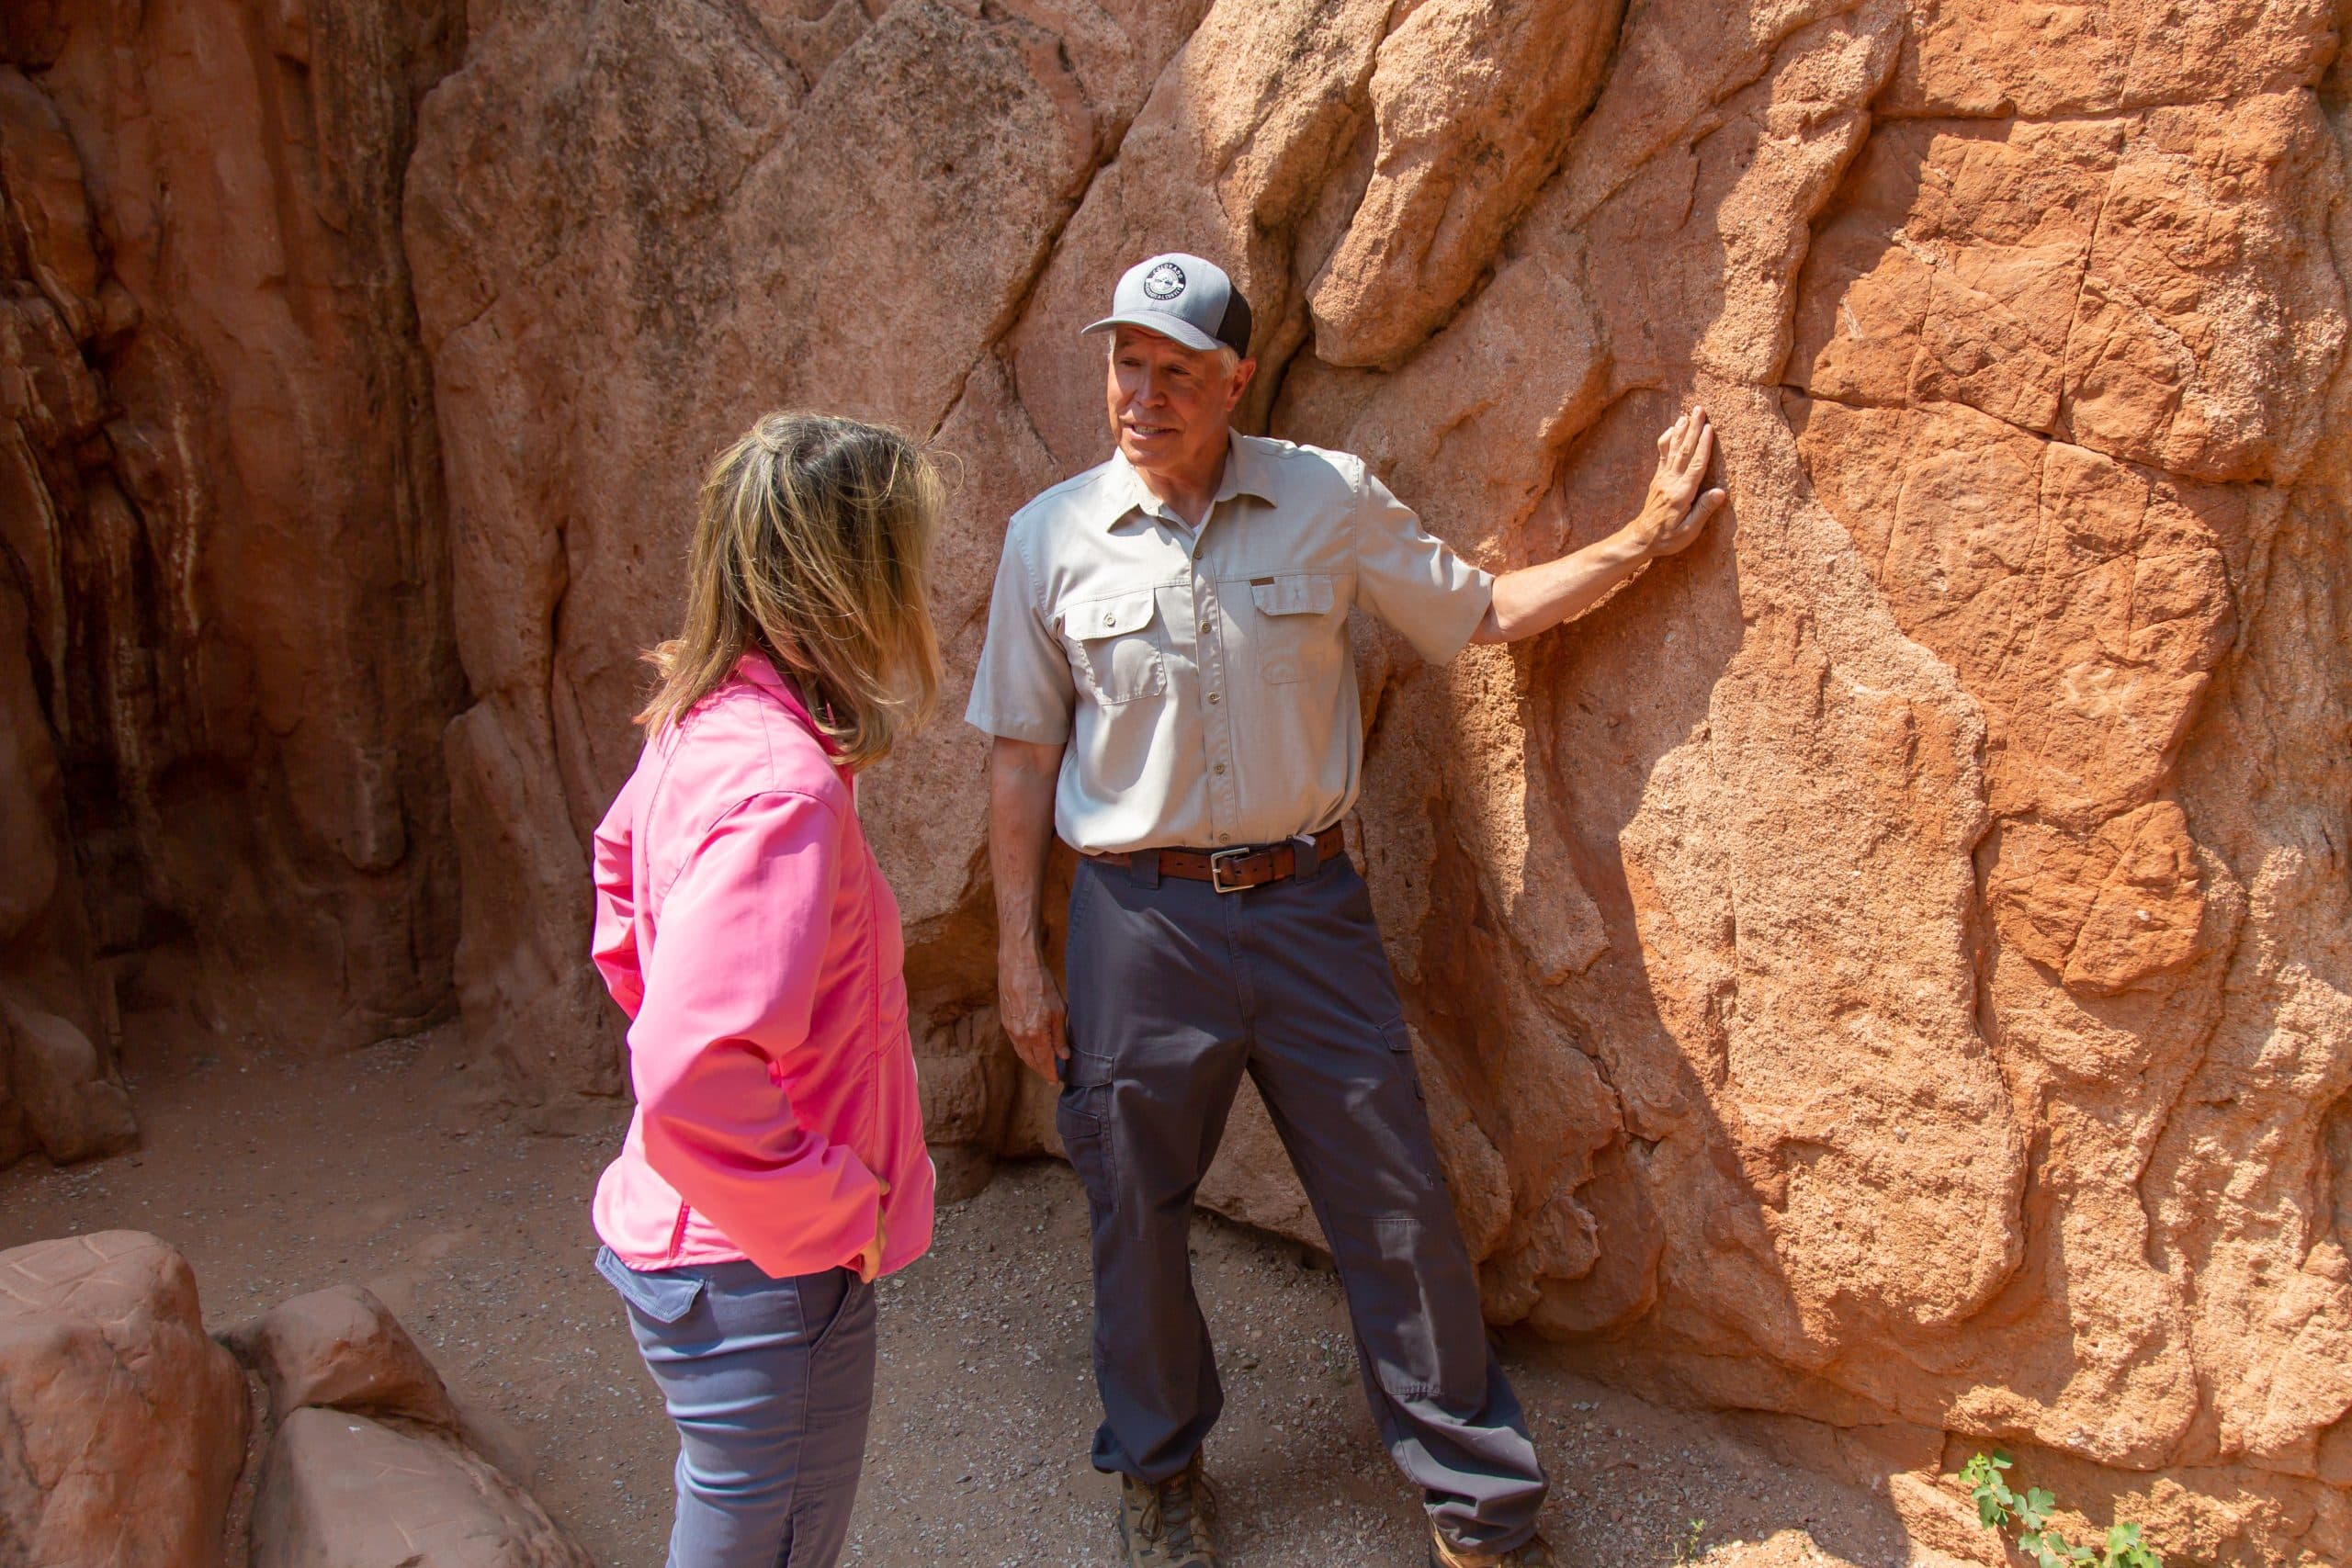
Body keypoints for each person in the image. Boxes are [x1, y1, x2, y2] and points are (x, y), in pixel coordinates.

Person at [967, 253, 1724, 1568]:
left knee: (1395, 1202)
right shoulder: (1050, 537)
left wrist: (1642, 538)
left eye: (1177, 371)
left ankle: (1478, 1502)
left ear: (1237, 381)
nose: (1144, 395)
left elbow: (1478, 612)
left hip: (1306, 910)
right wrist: (1018, 960)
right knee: (1133, 1210)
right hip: (1136, 927)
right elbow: (1024, 759)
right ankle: (1158, 1467)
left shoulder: (1325, 497)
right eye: (1127, 365)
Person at [587, 412, 945, 1568]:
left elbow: (618, 891)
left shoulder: (699, 724)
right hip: (759, 1274)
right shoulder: (784, 785)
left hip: (695, 1245)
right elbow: (690, 1074)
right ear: (854, 581)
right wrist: (834, 1210)